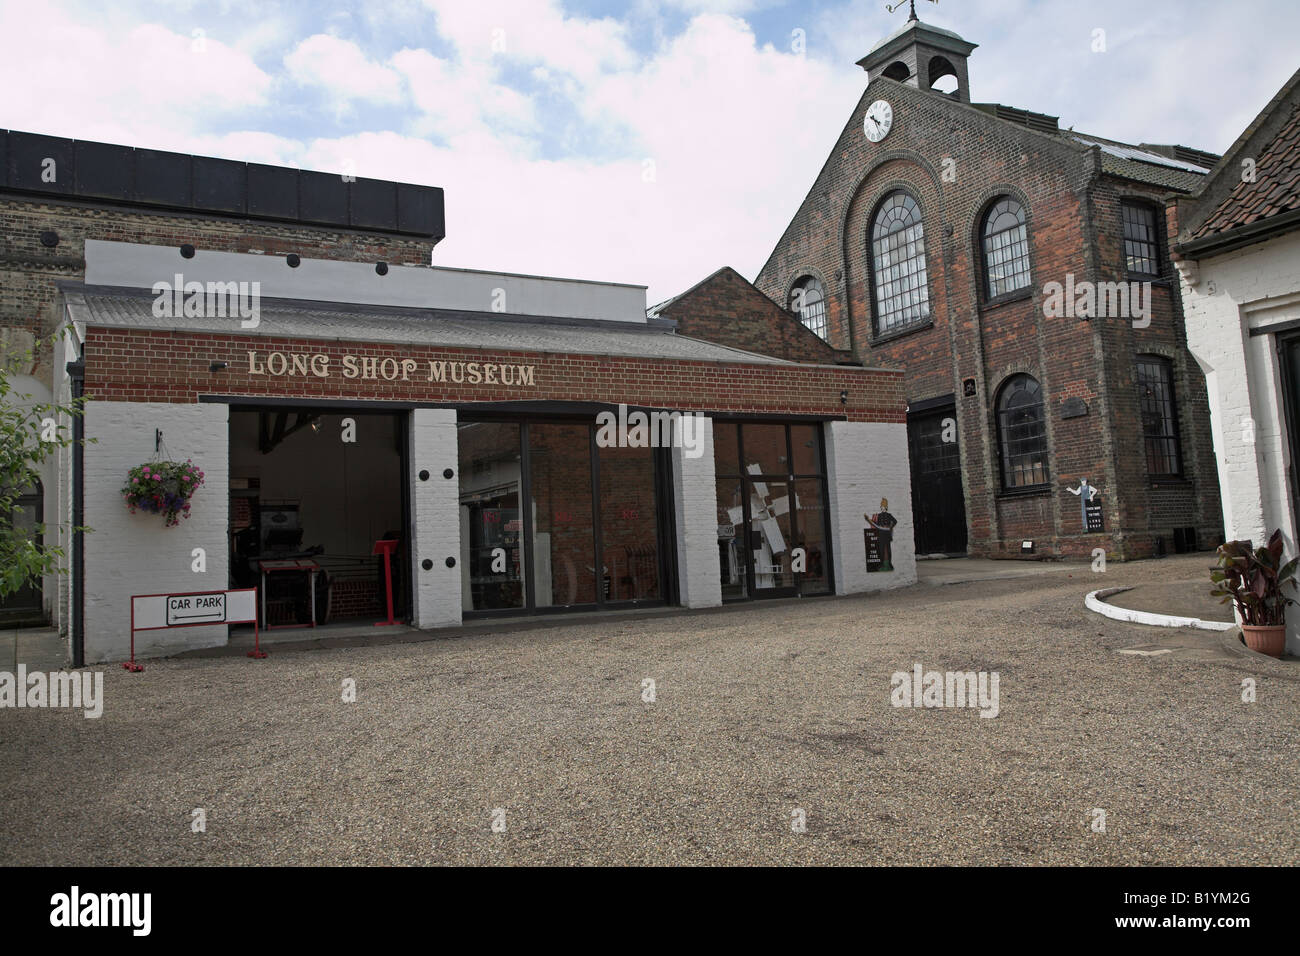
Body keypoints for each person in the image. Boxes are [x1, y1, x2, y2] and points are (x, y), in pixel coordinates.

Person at [865, 497, 898, 571]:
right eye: (881, 507)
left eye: (883, 507)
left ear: (886, 507)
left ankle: (889, 563)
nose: (882, 508)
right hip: (881, 534)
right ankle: (881, 563)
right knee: (881, 549)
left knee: (888, 549)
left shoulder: (889, 515)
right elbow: (876, 524)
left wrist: (890, 527)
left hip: (887, 534)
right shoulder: (879, 516)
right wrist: (869, 520)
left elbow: (895, 521)